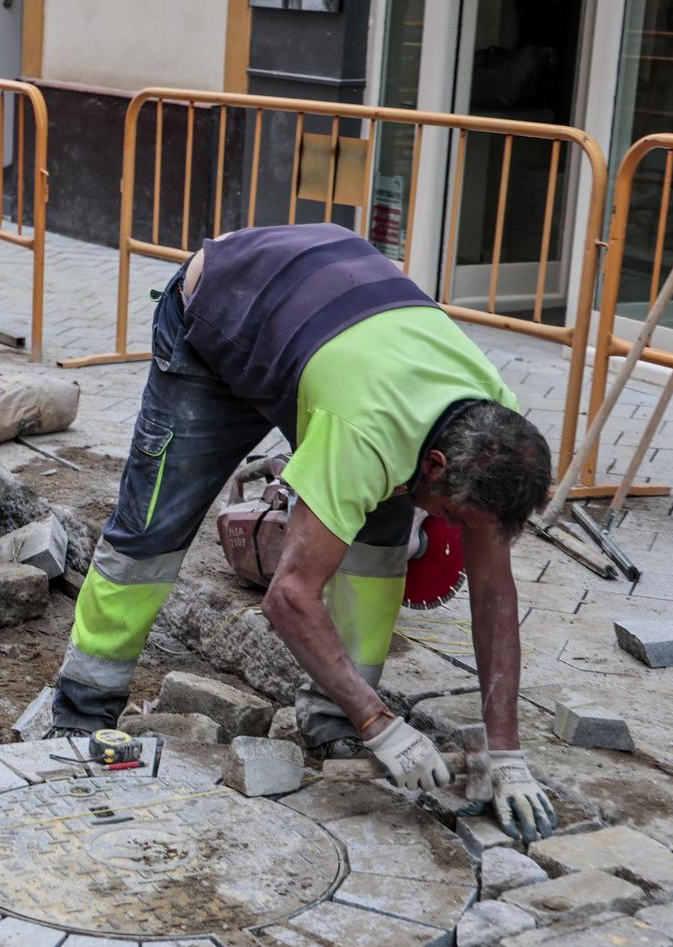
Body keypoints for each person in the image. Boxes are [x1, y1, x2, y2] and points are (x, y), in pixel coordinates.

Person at [49, 222, 559, 843]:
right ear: (435, 466)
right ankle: (82, 710)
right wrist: (382, 724)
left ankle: (331, 715)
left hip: (330, 332)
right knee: (154, 530)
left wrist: (503, 751)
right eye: (453, 512)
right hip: (220, 316)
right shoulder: (365, 435)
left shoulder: (494, 427)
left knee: (378, 552)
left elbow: (494, 590)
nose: (450, 528)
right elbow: (289, 596)